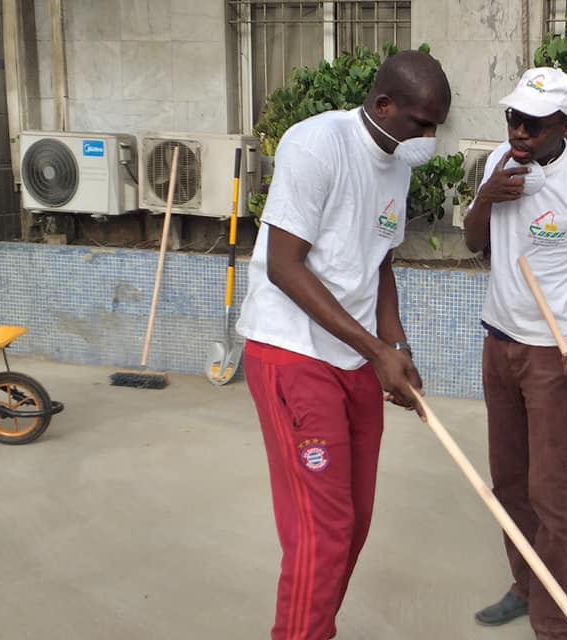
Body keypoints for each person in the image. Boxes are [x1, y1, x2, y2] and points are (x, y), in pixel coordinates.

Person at [236, 50, 450, 640]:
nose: (429, 138)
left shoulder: (398, 165)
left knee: (352, 524)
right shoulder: (315, 145)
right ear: (383, 106)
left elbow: (380, 263)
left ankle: (313, 628)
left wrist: (396, 344)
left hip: (353, 356)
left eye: (436, 126)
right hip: (293, 353)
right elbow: (283, 265)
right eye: (422, 123)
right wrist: (377, 351)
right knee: (320, 529)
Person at [463, 67, 567, 640]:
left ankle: (554, 623)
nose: (518, 130)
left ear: (565, 123)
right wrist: (486, 196)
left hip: (552, 357)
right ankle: (525, 585)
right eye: (512, 117)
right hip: (499, 344)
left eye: (532, 123)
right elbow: (473, 240)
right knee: (508, 482)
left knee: (551, 493)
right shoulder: (497, 165)